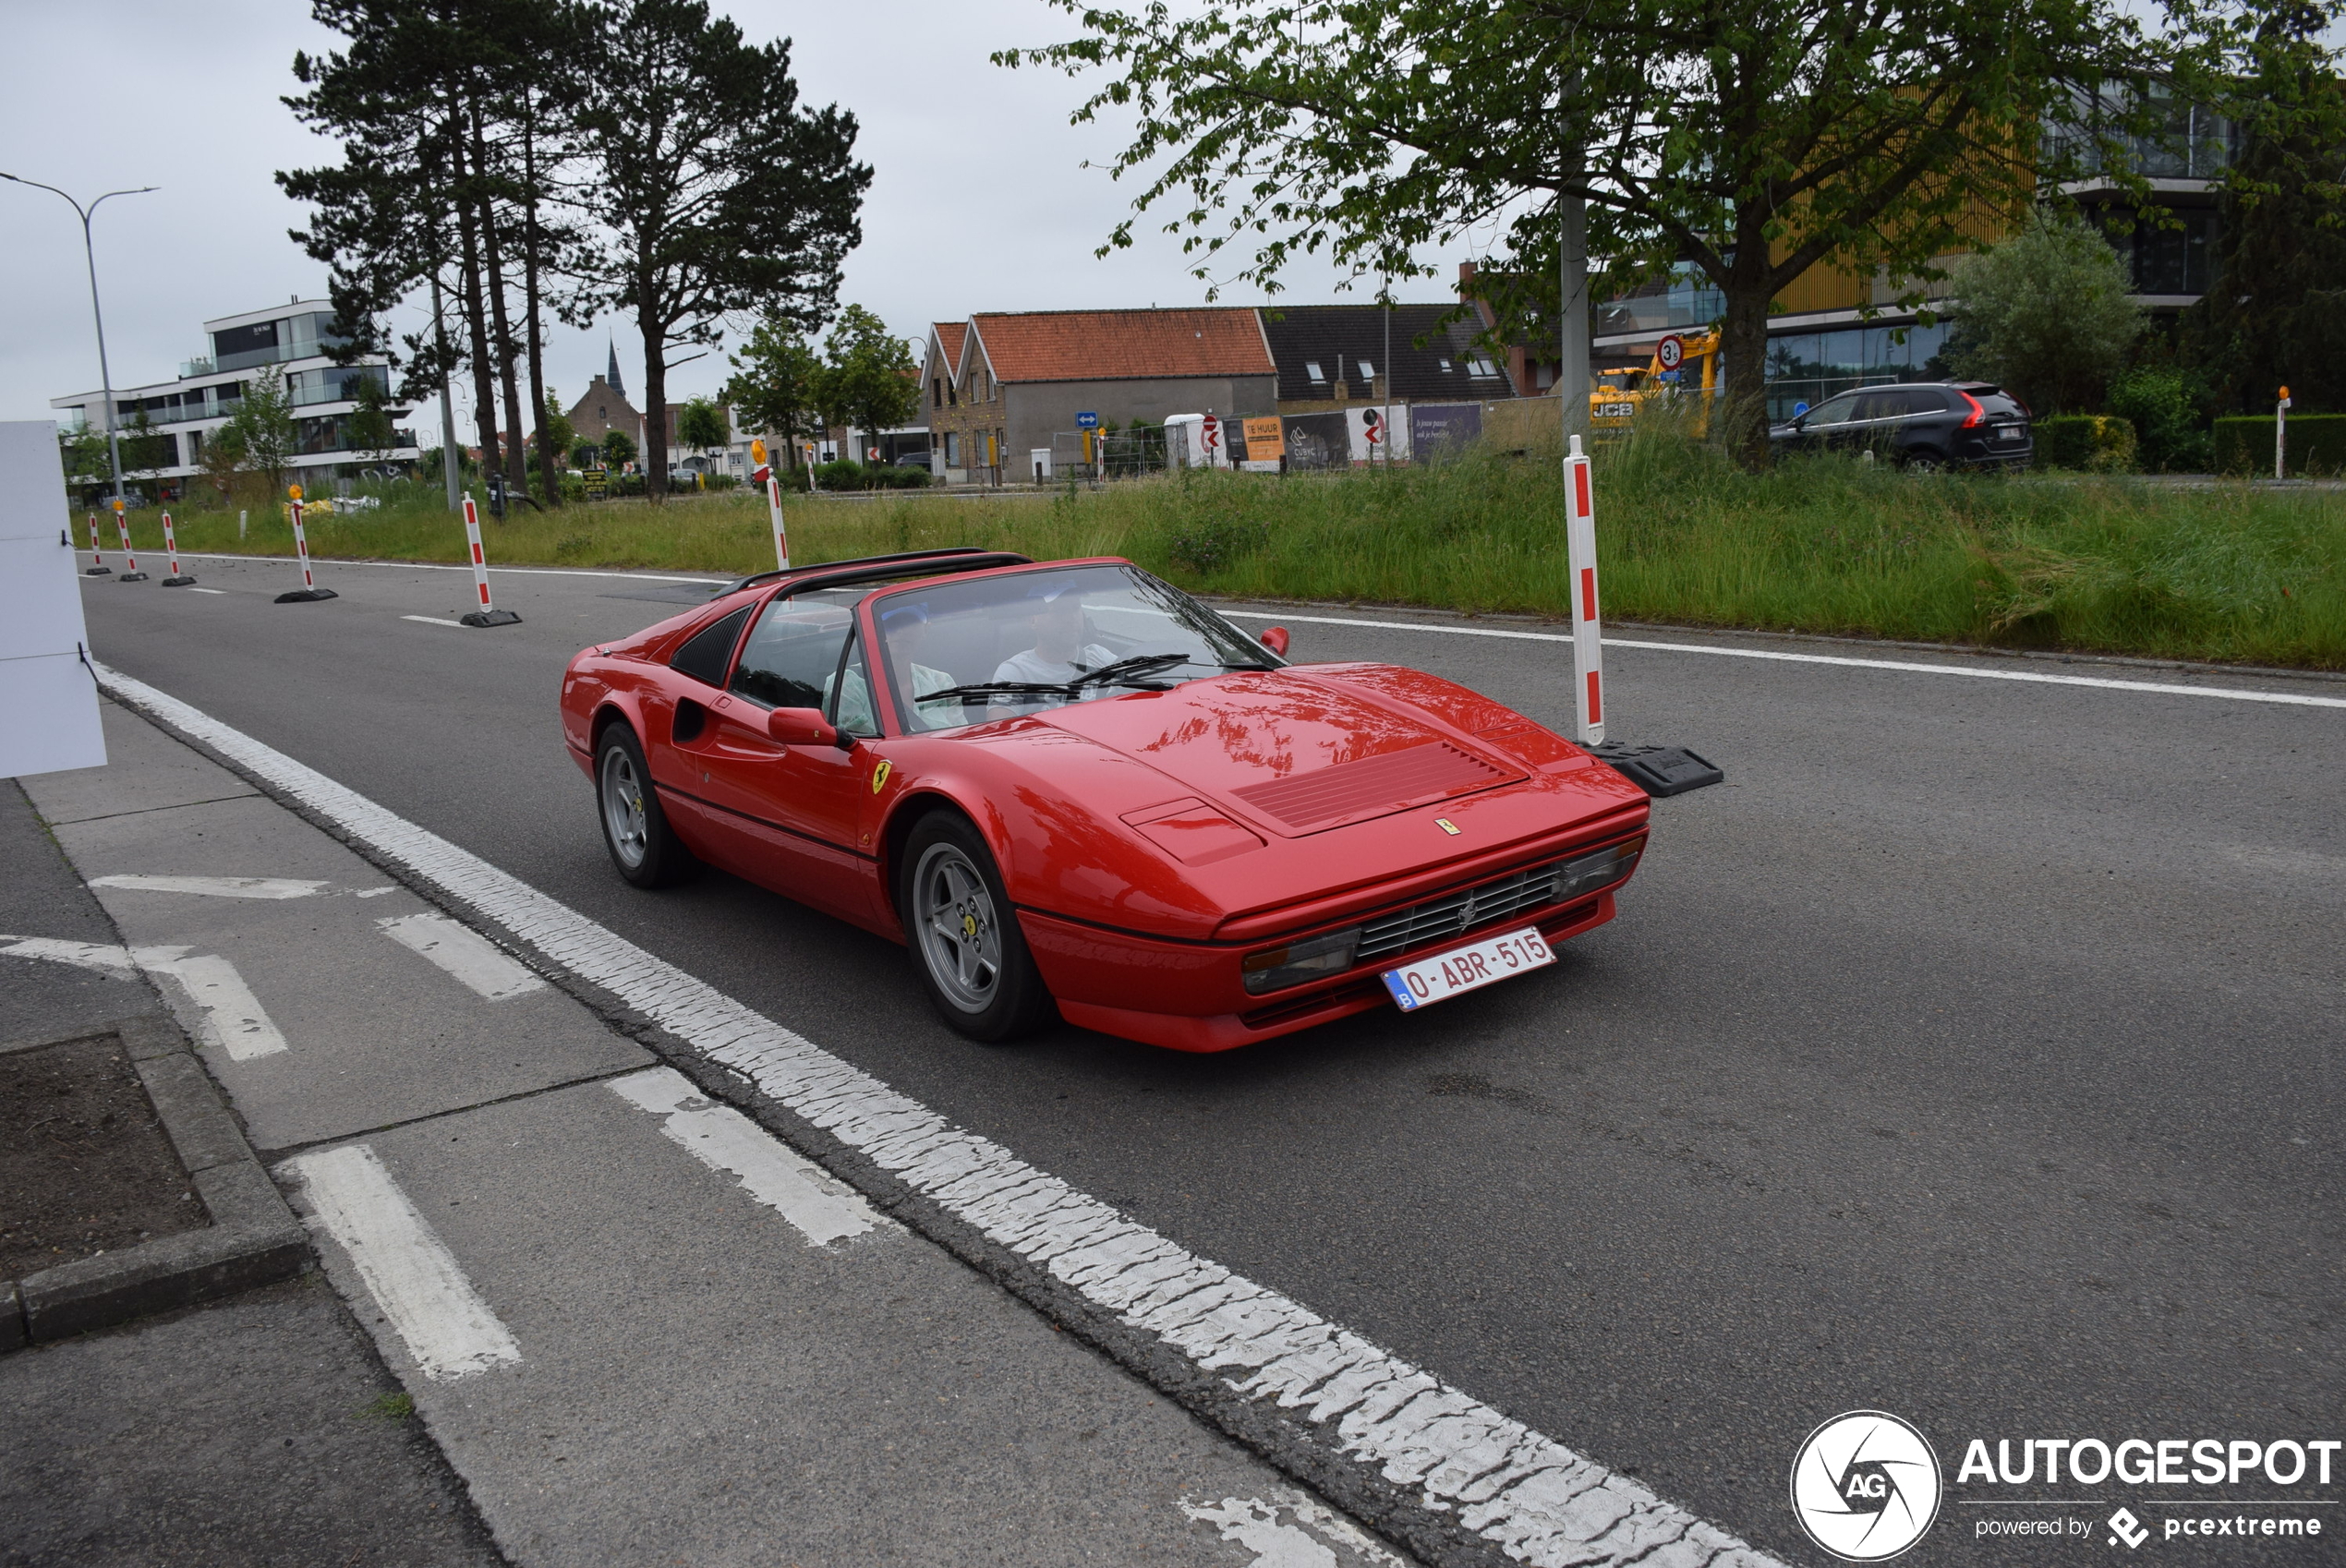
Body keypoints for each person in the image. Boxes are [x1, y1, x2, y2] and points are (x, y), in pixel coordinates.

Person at [987, 590, 1117, 718]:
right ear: (1032, 620)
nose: (1071, 618)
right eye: (1059, 610)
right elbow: (1000, 732)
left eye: (1075, 607)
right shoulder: (1015, 674)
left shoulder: (1101, 657)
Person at [837, 603, 958, 733]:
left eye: (909, 623)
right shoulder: (847, 684)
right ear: (877, 628)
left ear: (926, 630)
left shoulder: (942, 683)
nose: (901, 631)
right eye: (892, 623)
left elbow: (961, 736)